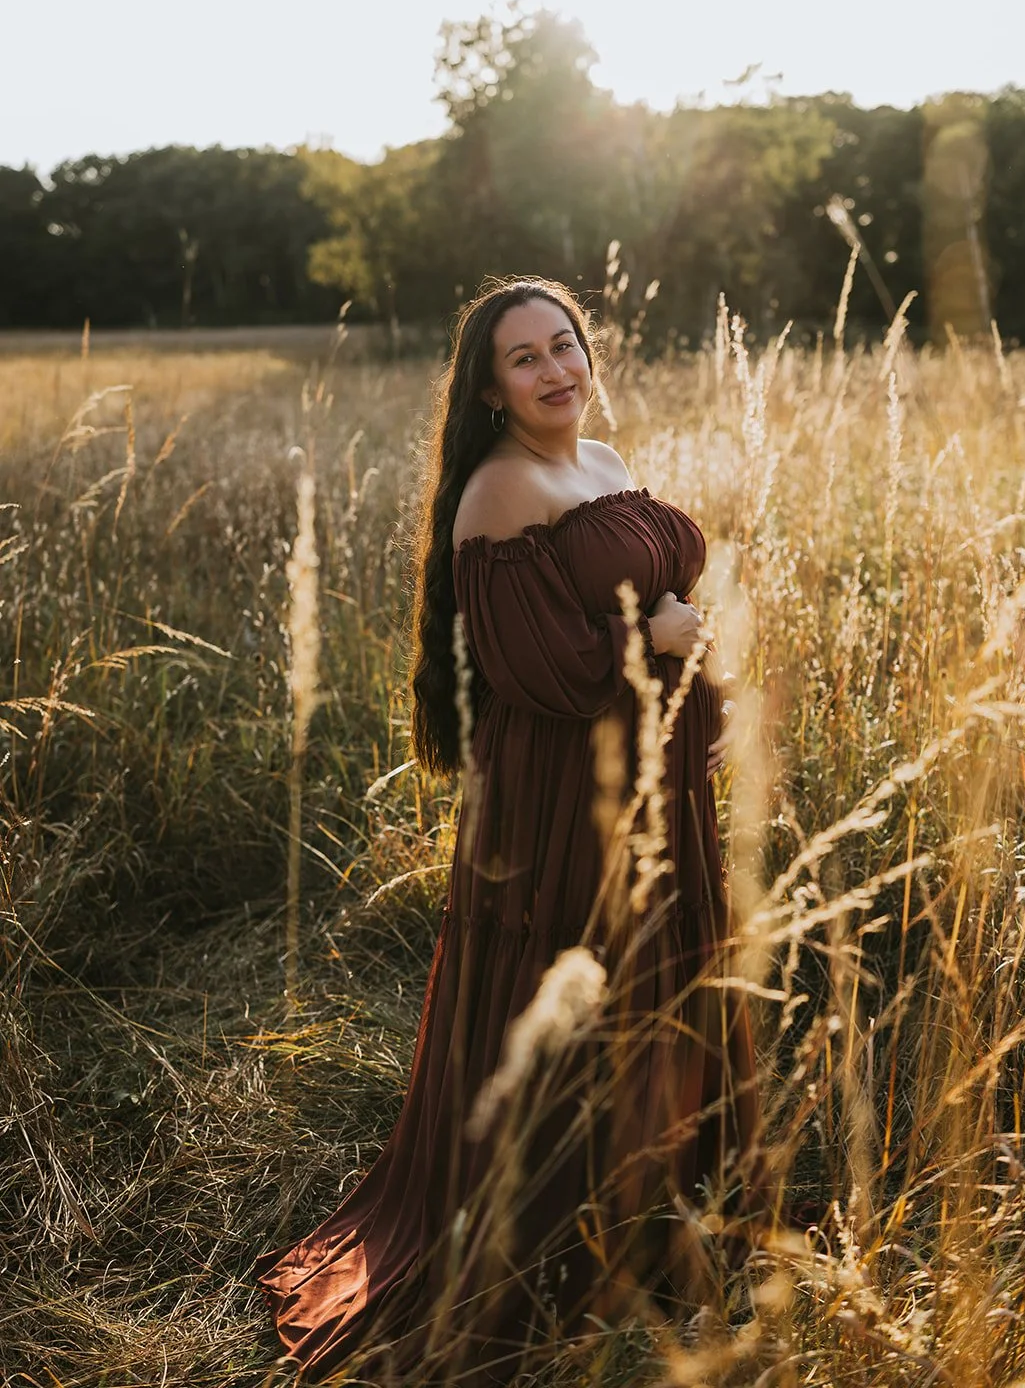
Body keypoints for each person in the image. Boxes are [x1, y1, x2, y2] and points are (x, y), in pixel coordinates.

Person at [258, 276, 763, 1383]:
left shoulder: (604, 460)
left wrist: (701, 705)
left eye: (564, 344)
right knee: (579, 986)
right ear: (488, 389)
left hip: (650, 772)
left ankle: (647, 1213)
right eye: (524, 358)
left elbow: (652, 608)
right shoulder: (497, 491)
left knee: (656, 979)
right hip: (559, 794)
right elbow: (540, 670)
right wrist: (661, 636)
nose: (554, 370)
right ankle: (550, 1237)